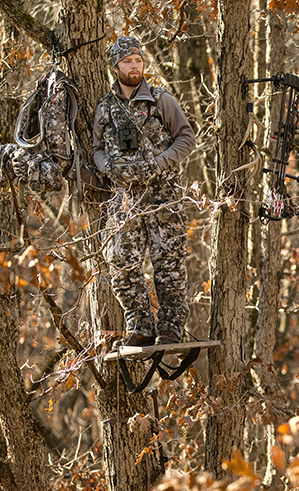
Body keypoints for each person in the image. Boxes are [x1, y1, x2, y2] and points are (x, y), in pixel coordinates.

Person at [93, 36, 197, 347]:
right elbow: (97, 148)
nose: (134, 66)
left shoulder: (161, 99)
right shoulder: (105, 108)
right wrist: (107, 168)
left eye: (138, 60)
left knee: (169, 263)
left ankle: (170, 328)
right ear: (116, 67)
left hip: (163, 198)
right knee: (122, 263)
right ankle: (139, 327)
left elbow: (186, 137)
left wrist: (160, 163)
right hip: (125, 202)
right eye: (128, 62)